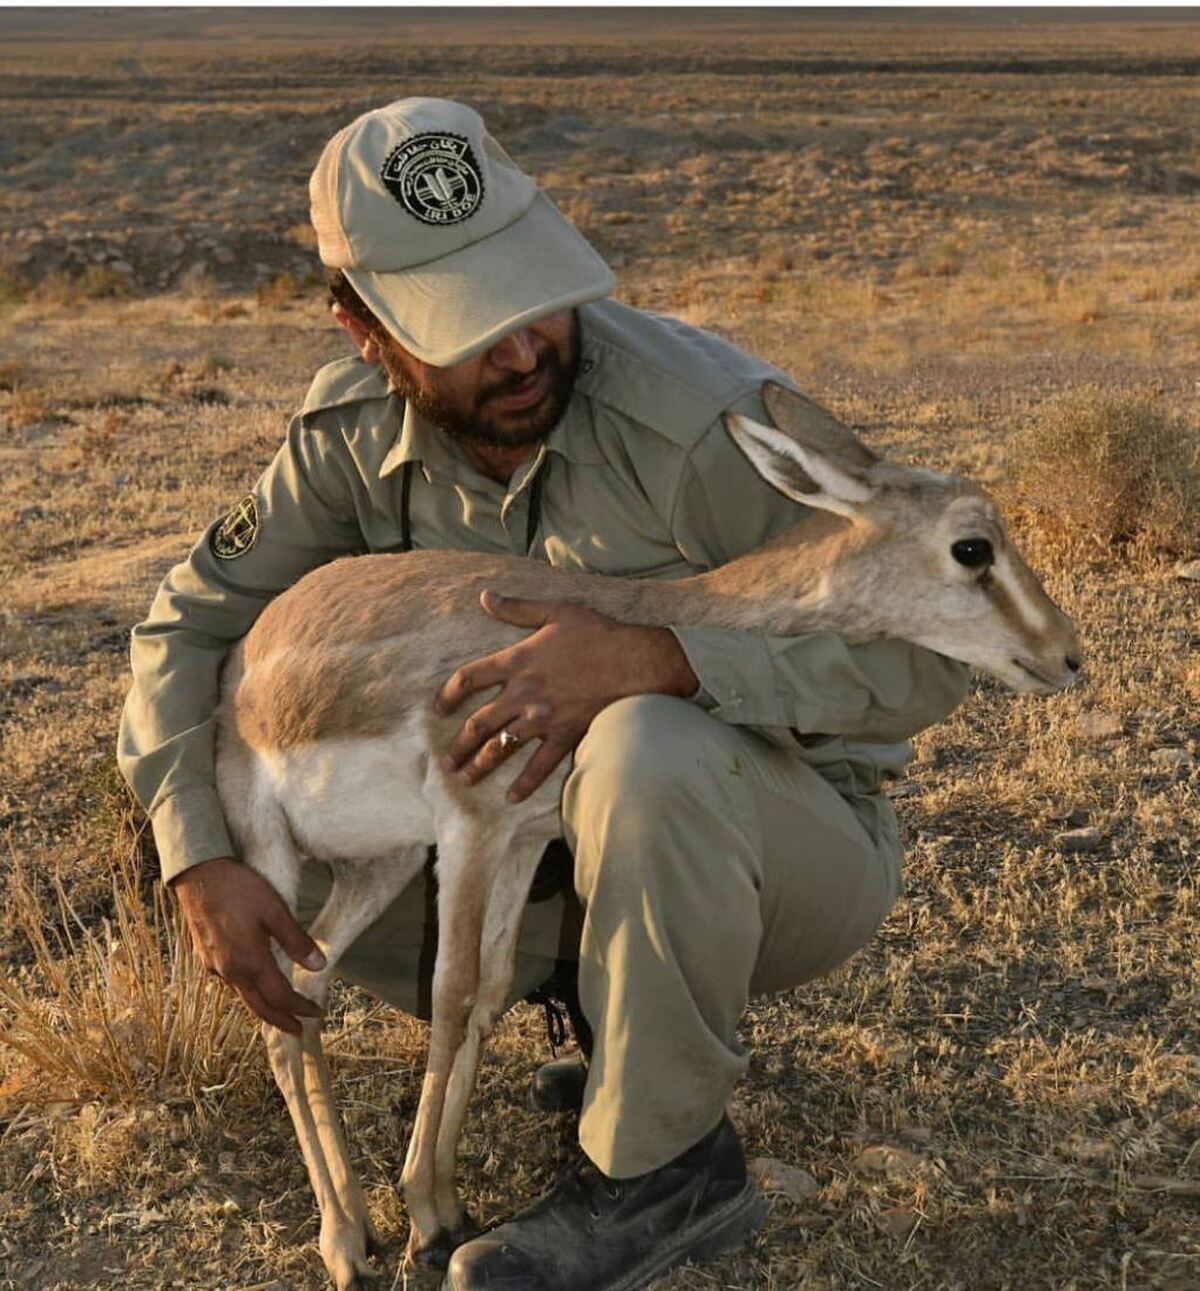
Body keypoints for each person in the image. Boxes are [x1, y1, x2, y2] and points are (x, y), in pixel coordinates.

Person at [118, 97, 970, 1291]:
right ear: (362, 329)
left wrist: (665, 660)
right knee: (268, 800)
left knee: (642, 746)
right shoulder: (344, 437)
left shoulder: (700, 427)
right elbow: (185, 625)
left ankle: (668, 1172)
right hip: (533, 839)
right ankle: (616, 1026)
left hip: (788, 835)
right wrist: (197, 856)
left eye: (534, 299)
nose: (524, 351)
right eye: (468, 327)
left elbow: (925, 654)